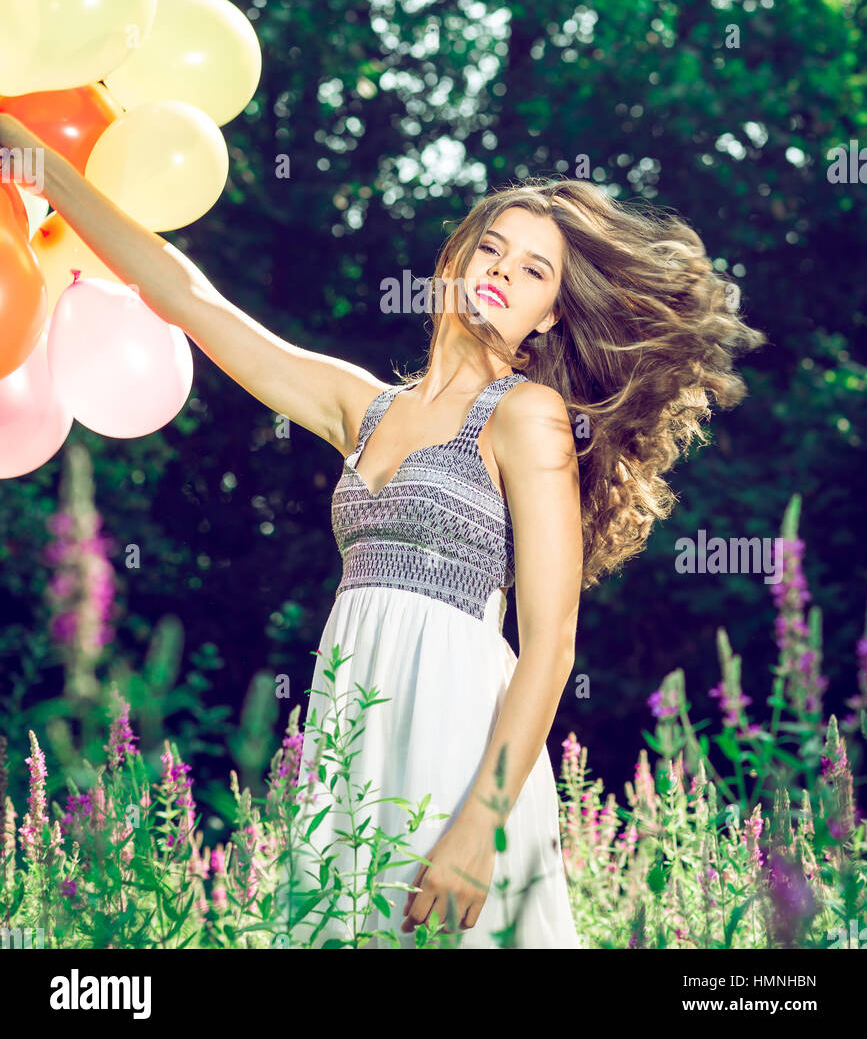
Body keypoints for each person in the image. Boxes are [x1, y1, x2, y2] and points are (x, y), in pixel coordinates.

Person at [0, 112, 766, 948]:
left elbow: (551, 646)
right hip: (352, 729)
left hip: (463, 744)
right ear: (453, 262)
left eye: (533, 270)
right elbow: (186, 299)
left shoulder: (526, 416)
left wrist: (480, 828)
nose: (502, 272)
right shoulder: (356, 406)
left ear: (549, 316)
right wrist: (49, 174)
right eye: (491, 249)